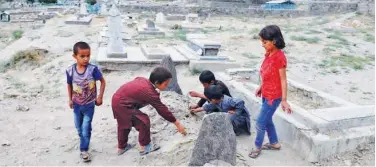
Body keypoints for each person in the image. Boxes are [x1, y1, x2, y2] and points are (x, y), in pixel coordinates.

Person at [112, 66, 187, 156]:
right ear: (157, 82)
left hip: (116, 99)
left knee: (124, 124)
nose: (167, 86)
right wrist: (177, 123)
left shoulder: (142, 80)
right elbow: (161, 109)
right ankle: (145, 147)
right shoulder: (149, 92)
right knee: (143, 121)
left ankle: (122, 147)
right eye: (165, 84)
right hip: (123, 105)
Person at [248, 25, 293, 159]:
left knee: (260, 122)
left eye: (264, 42)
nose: (262, 44)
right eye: (261, 41)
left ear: (274, 41)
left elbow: (283, 80)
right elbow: (267, 73)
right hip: (266, 93)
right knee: (267, 120)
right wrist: (261, 86)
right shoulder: (269, 53)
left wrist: (284, 100)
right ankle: (274, 143)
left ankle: (257, 146)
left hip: (274, 97)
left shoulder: (279, 57)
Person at [66, 41, 106, 162]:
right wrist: (70, 99)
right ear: (75, 56)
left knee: (86, 127)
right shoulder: (70, 71)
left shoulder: (93, 70)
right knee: (79, 127)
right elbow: (69, 85)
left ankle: (84, 149)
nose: (86, 59)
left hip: (89, 105)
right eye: (82, 56)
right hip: (77, 104)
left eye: (88, 55)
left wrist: (100, 97)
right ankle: (83, 138)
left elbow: (103, 81)